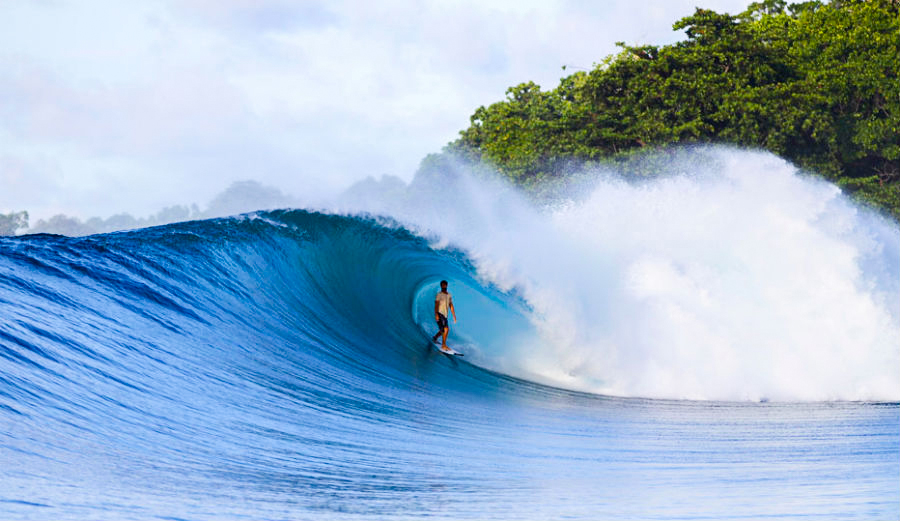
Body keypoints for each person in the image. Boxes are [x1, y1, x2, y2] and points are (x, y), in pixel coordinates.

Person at [432, 280, 457, 349]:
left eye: (444, 285)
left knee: (442, 330)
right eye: (442, 285)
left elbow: (451, 305)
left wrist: (454, 316)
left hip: (445, 315)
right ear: (441, 286)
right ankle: (443, 345)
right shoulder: (439, 294)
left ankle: (435, 337)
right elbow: (436, 305)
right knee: (446, 329)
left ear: (446, 285)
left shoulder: (449, 295)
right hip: (440, 313)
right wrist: (436, 314)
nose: (443, 286)